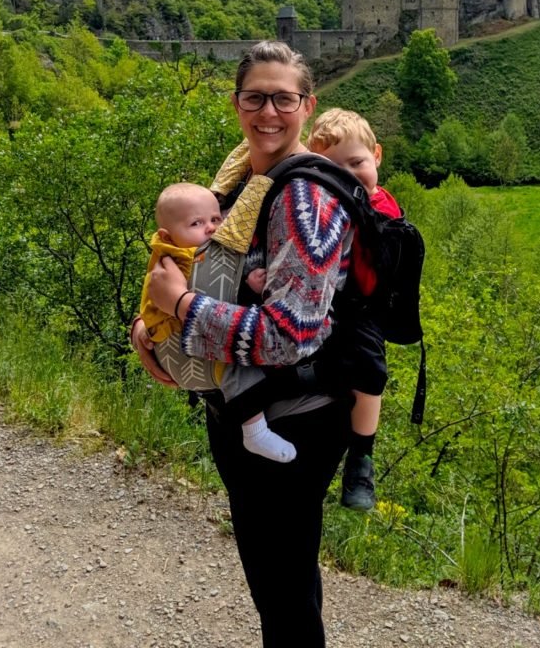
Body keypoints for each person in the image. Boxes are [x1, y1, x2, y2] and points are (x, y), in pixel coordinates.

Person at [130, 40, 354, 648]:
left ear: (306, 106)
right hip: (244, 408)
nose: (269, 112)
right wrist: (157, 329)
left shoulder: (307, 198)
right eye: (255, 97)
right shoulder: (239, 182)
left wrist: (181, 306)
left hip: (296, 418)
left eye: (284, 98)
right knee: (276, 581)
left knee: (283, 588)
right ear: (236, 104)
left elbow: (288, 336)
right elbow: (202, 267)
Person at [139, 181, 295, 463]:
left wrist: (246, 281)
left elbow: (213, 286)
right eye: (197, 223)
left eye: (215, 219)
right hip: (183, 339)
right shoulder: (182, 256)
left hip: (182, 339)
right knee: (239, 371)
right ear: (167, 234)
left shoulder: (184, 248)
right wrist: (145, 326)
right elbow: (203, 291)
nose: (210, 228)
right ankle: (255, 430)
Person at [307, 108, 402, 512]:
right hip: (321, 303)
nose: (347, 176)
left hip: (360, 308)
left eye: (357, 163)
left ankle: (361, 458)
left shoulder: (381, 204)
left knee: (370, 373)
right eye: (332, 169)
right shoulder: (313, 202)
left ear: (376, 156)